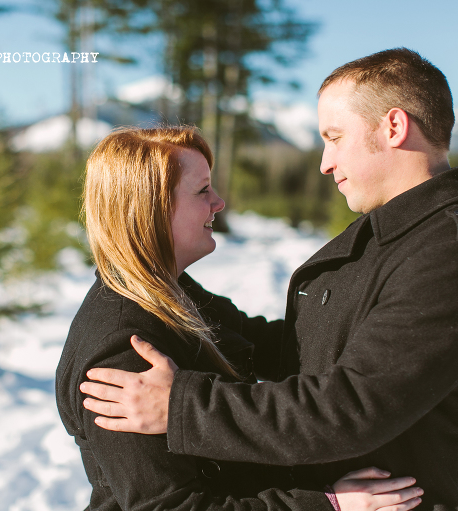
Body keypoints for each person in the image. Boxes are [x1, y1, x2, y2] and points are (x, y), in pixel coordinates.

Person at [79, 49, 458, 511]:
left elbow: (350, 407)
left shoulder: (449, 251)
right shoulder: (396, 235)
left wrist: (182, 409)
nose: (325, 162)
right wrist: (160, 286)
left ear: (393, 127)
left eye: (335, 136)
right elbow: (313, 347)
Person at [57, 126, 425, 510]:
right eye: (202, 191)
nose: (219, 202)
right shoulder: (125, 348)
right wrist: (328, 505)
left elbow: (270, 345)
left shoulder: (173, 294)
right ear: (147, 207)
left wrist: (387, 333)